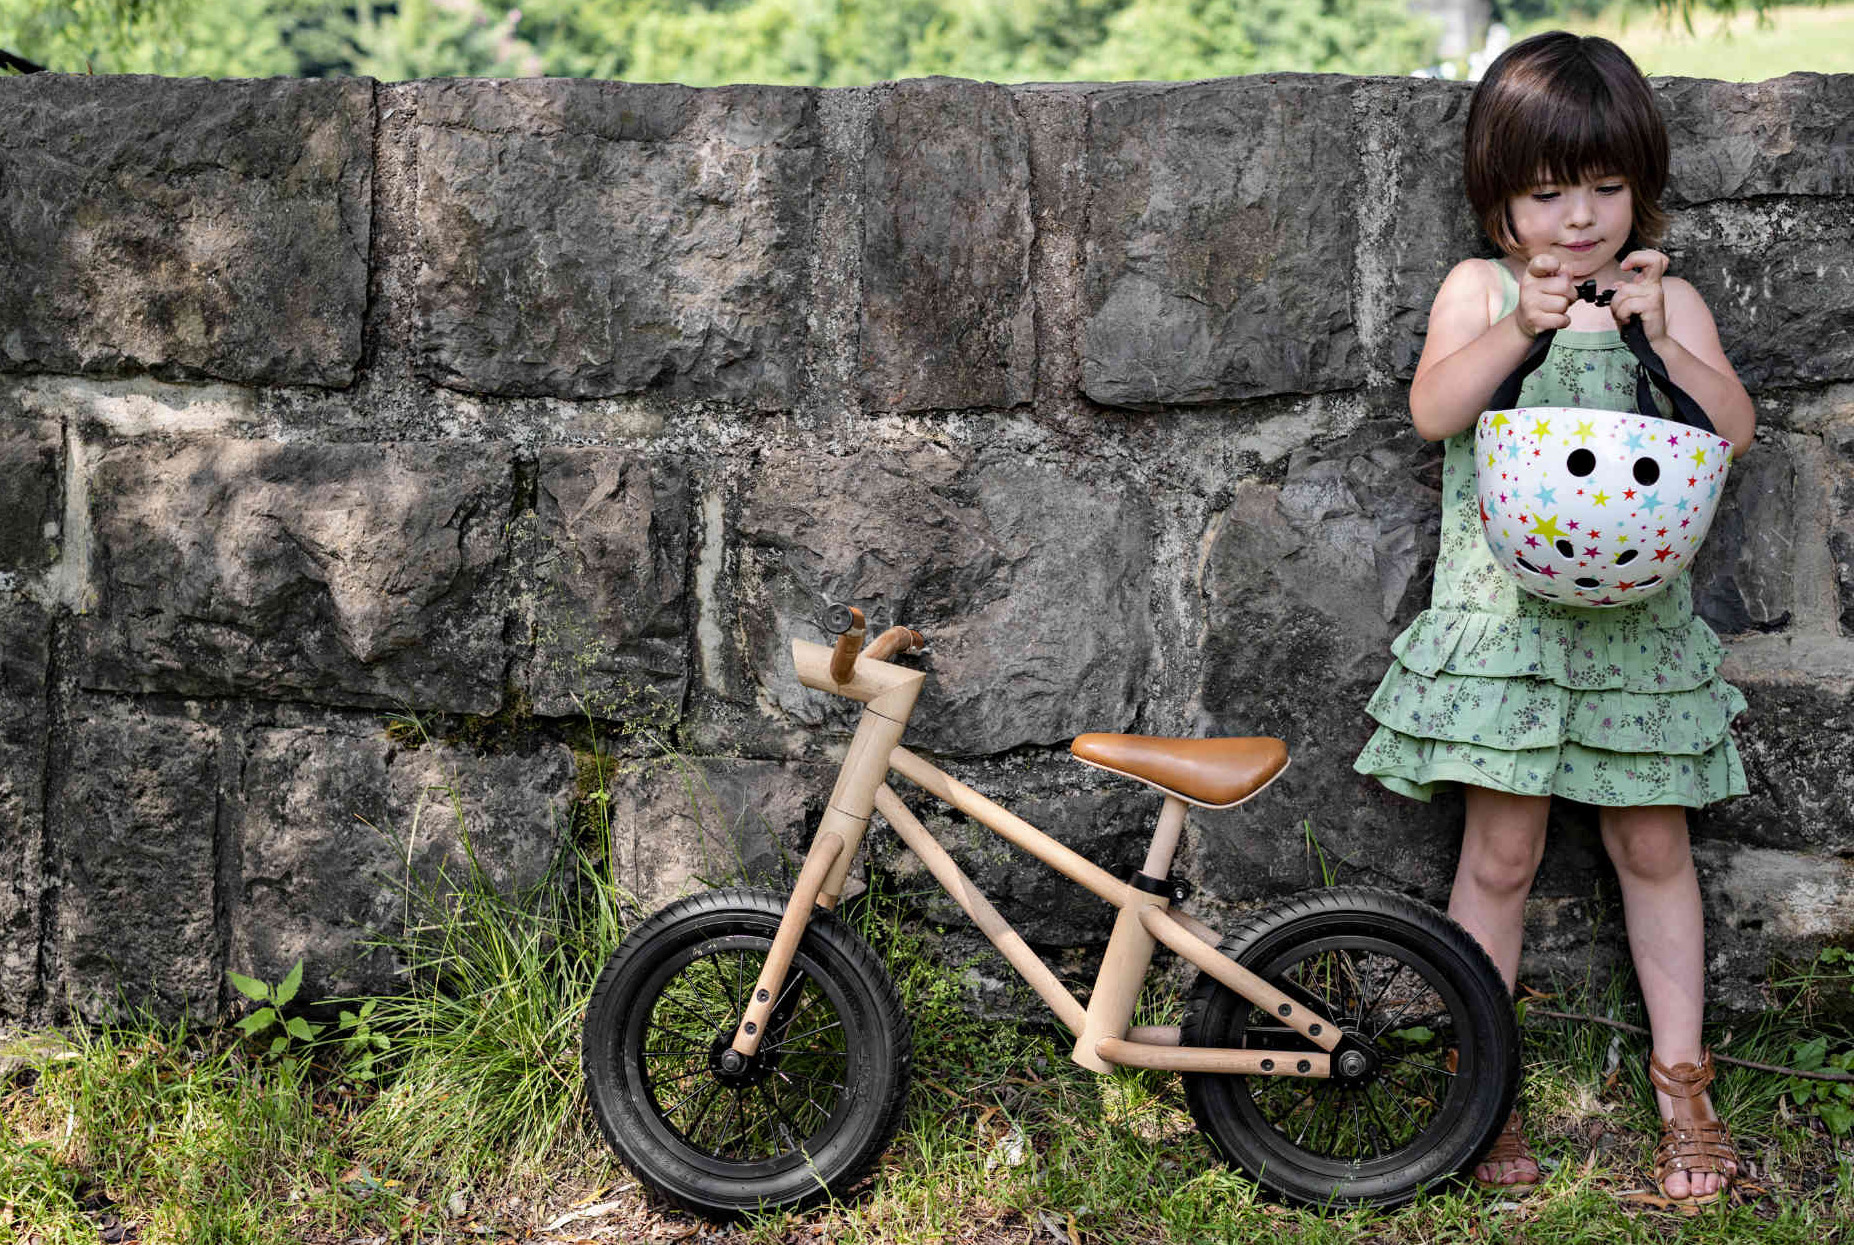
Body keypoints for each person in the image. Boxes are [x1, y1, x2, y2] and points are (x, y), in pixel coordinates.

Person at [1353, 31, 1755, 1203]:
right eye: (1547, 195)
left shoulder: (1664, 294)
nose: (1579, 219)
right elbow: (1435, 412)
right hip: (1508, 632)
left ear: (1642, 189)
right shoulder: (1481, 290)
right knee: (1504, 852)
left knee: (1651, 844)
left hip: (1637, 634)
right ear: (1501, 201)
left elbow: (1730, 432)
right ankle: (1486, 1085)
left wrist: (1661, 334)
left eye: (1605, 189)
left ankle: (1685, 1085)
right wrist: (1523, 324)